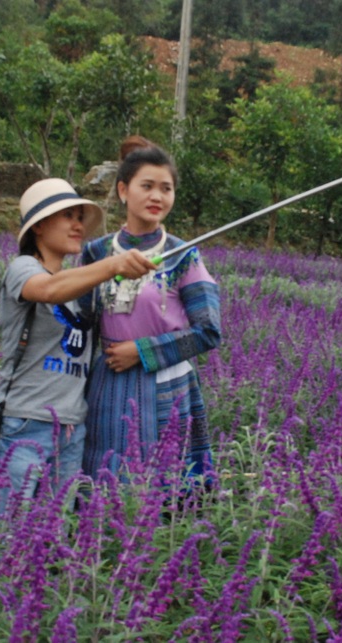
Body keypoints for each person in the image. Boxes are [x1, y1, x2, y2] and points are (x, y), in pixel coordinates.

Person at [0, 178, 156, 506]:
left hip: (71, 429)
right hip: (27, 422)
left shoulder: (80, 286)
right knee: (1, 532)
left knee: (51, 535)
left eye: (80, 218)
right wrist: (112, 265)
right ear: (39, 225)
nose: (78, 225)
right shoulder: (23, 268)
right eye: (69, 216)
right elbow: (48, 290)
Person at [80, 136, 222, 481]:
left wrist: (140, 351)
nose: (157, 196)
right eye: (147, 186)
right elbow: (81, 323)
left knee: (166, 486)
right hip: (108, 384)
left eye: (166, 188)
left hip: (168, 387)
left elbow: (208, 332)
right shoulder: (96, 253)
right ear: (124, 190)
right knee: (104, 480)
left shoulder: (183, 254)